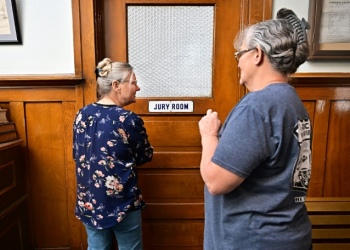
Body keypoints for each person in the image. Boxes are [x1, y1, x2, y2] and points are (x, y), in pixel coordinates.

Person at [198, 8, 312, 250]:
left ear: (257, 54)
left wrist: (208, 135)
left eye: (240, 53)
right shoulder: (291, 102)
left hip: (254, 241)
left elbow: (216, 182)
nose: (238, 61)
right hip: (288, 236)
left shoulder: (258, 106)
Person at [73, 58, 153, 250]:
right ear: (116, 85)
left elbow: (78, 155)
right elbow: (144, 156)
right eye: (133, 82)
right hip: (123, 203)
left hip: (90, 201)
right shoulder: (128, 119)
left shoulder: (82, 114)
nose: (138, 88)